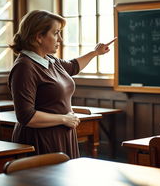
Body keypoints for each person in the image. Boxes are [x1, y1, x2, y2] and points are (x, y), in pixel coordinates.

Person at [8, 10, 116, 158]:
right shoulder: (24, 67)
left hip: (61, 135)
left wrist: (95, 52)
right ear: (39, 36)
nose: (60, 39)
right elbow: (26, 116)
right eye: (56, 33)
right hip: (40, 139)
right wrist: (64, 119)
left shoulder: (50, 60)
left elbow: (73, 66)